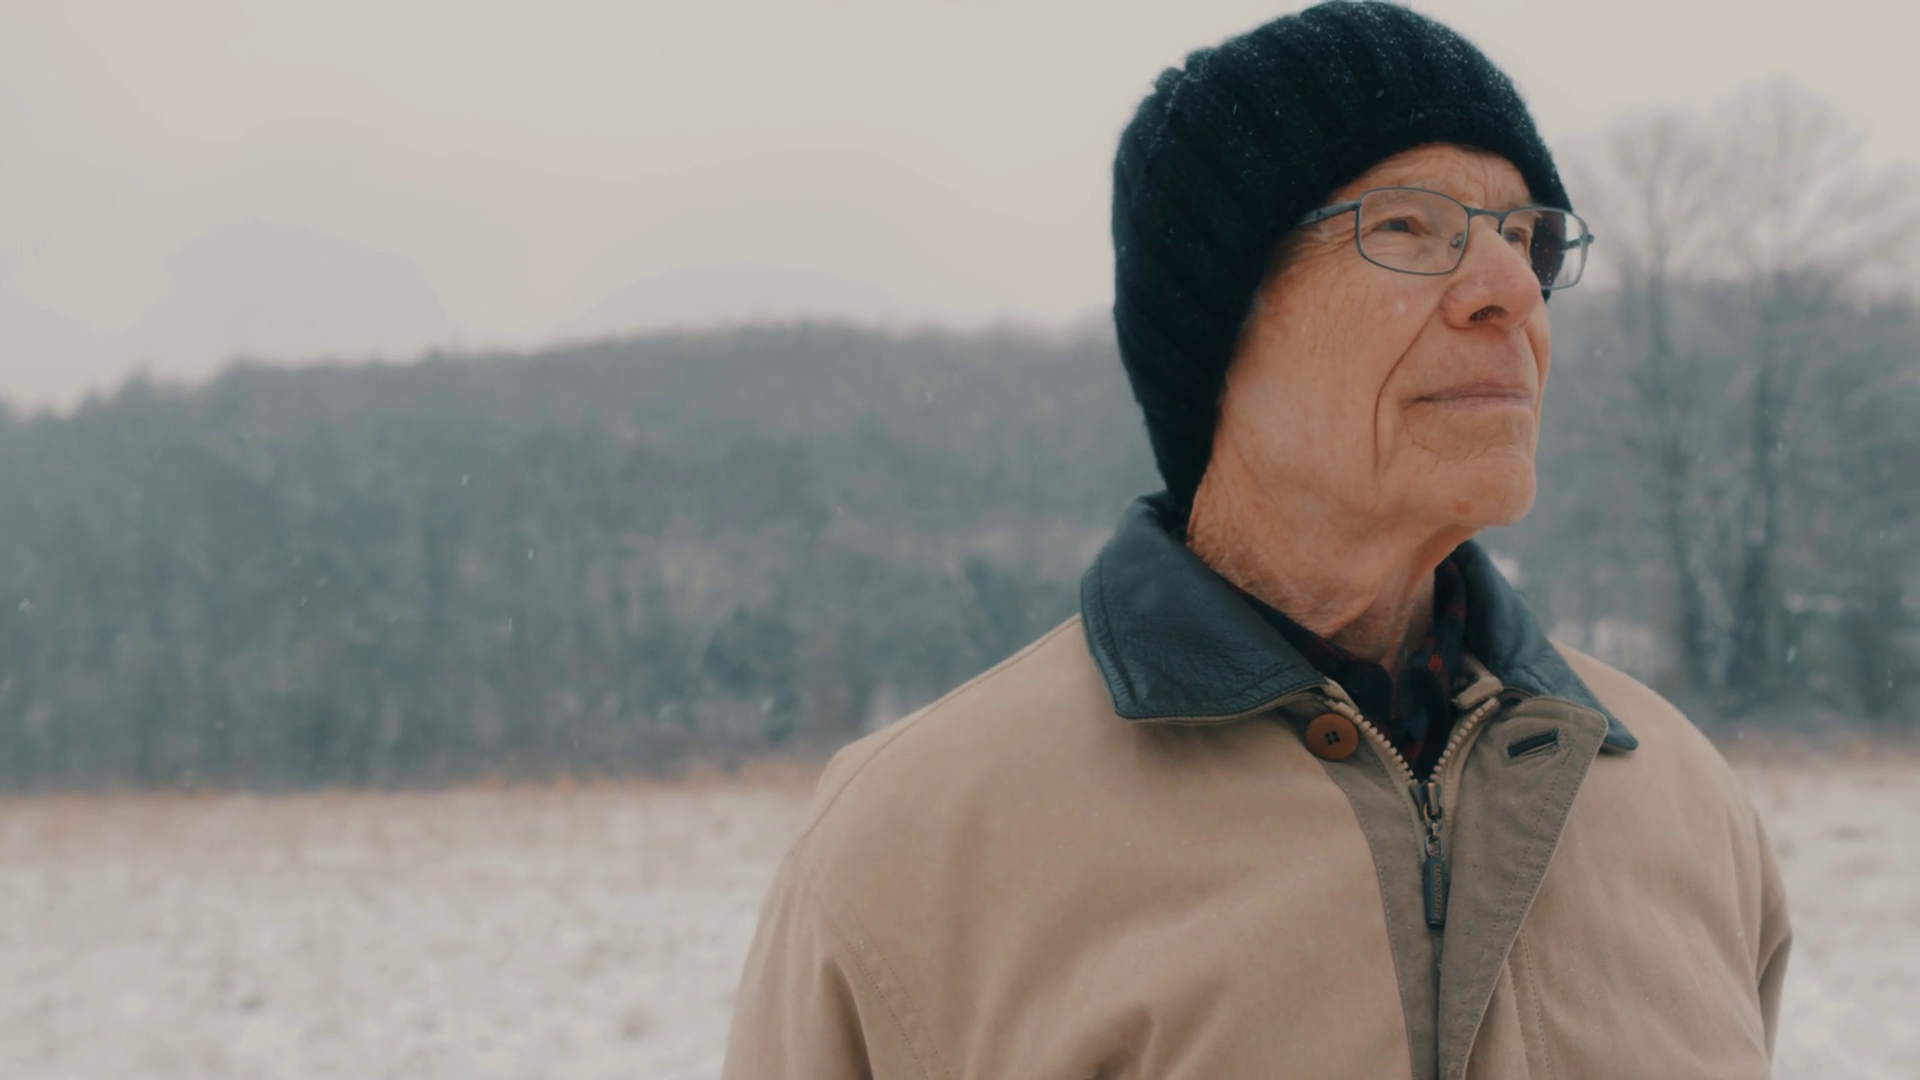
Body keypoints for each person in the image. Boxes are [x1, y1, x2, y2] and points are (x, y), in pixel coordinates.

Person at [723, 3, 1790, 1077]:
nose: (1513, 291)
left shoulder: (1683, 805)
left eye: (1525, 238)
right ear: (1221, 324)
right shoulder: (915, 851)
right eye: (1408, 226)